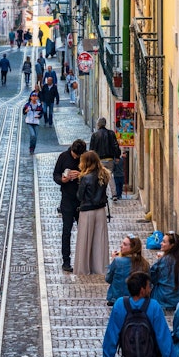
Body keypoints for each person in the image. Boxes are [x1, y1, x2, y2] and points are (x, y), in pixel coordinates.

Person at [102, 272, 176, 357]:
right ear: (142, 290)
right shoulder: (153, 306)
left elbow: (111, 335)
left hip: (128, 355)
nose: (150, 289)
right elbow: (163, 336)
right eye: (149, 286)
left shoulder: (120, 304)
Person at [74, 151, 111, 275]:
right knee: (100, 240)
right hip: (100, 210)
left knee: (85, 239)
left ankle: (83, 268)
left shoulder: (85, 177)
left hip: (87, 211)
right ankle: (100, 268)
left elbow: (79, 196)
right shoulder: (104, 174)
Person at [52, 139, 86, 271]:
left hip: (82, 200)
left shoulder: (86, 157)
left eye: (78, 156)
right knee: (66, 231)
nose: (76, 158)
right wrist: (62, 179)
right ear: (71, 150)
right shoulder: (63, 157)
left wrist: (81, 175)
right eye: (75, 155)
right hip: (67, 199)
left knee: (84, 231)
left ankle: (82, 260)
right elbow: (55, 175)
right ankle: (66, 261)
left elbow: (93, 175)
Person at [150, 231, 179, 309]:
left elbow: (152, 277)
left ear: (172, 245)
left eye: (164, 242)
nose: (161, 243)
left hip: (164, 298)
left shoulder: (163, 261)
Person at [106, 234, 150, 305]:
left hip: (117, 300)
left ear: (132, 248)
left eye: (124, 244)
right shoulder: (145, 264)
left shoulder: (117, 261)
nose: (121, 246)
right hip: (138, 300)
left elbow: (108, 279)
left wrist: (113, 262)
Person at [89, 117, 123, 200]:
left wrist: (91, 161)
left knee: (99, 177)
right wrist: (117, 156)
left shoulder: (95, 135)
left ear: (98, 125)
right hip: (110, 159)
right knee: (110, 176)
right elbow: (115, 145)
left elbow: (91, 149)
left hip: (99, 160)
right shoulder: (111, 133)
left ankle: (100, 194)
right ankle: (114, 194)